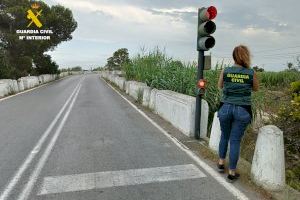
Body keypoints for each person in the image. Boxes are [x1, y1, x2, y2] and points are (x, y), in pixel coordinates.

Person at [217, 45, 259, 182]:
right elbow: (256, 89)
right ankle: (232, 173)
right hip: (242, 109)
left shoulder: (226, 71)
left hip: (226, 107)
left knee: (224, 135)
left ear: (234, 56)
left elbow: (220, 86)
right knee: (235, 140)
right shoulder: (251, 73)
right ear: (246, 56)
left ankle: (221, 163)